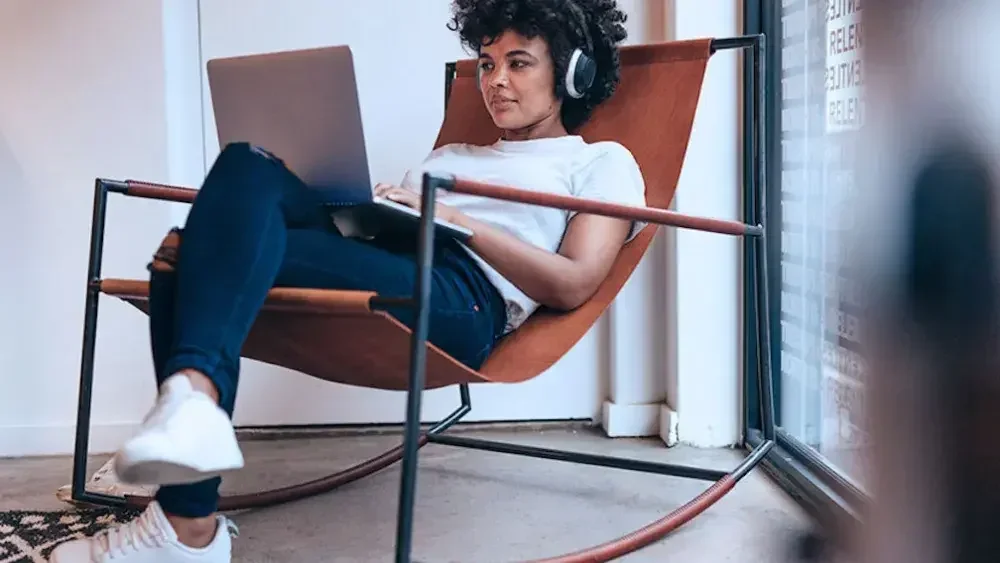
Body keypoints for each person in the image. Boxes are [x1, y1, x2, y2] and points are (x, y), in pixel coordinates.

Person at [49, 0, 643, 561]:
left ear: (572, 74)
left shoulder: (599, 162)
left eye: (518, 64)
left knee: (187, 259)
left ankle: (185, 521)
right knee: (243, 166)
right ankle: (190, 443)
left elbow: (572, 282)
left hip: (463, 301)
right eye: (486, 63)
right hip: (393, 261)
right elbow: (378, 242)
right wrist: (370, 208)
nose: (495, 81)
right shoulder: (454, 153)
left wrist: (458, 222)